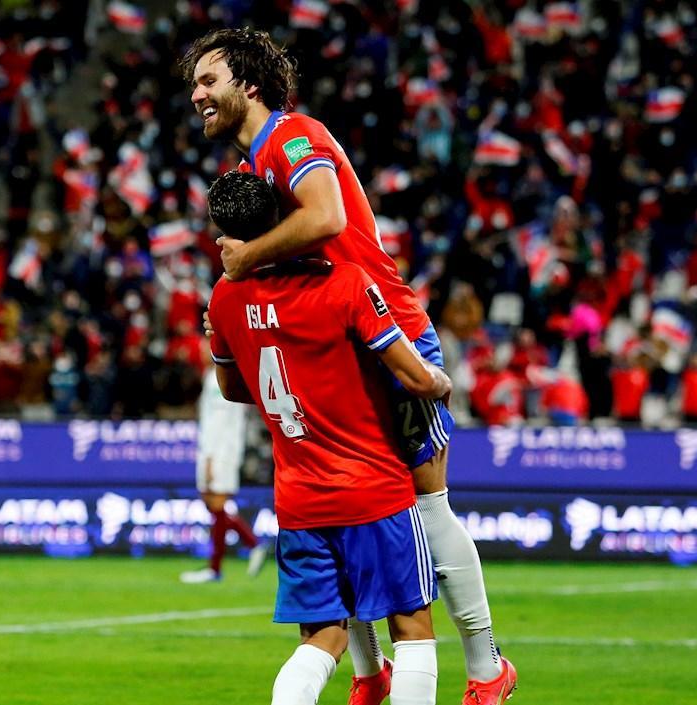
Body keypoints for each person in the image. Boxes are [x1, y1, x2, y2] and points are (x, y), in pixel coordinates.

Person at [181, 30, 515, 703]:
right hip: (333, 336)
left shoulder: (291, 136)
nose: (197, 95)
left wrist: (245, 262)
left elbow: (328, 216)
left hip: (389, 329)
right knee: (348, 506)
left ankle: (485, 668)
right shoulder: (254, 165)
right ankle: (370, 673)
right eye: (194, 84)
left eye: (209, 79)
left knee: (423, 508)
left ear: (249, 83)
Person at [206, 171, 447, 705]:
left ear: (226, 236)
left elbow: (232, 388)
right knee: (412, 631)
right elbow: (413, 377)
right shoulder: (345, 283)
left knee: (322, 640)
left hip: (300, 502)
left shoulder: (224, 298)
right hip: (374, 490)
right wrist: (440, 381)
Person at [179, 359, 268, 584]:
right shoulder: (214, 376)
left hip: (221, 451)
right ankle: (252, 544)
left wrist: (210, 457)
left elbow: (219, 422)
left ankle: (216, 567)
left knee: (217, 504)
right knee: (212, 504)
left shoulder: (221, 377)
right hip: (216, 449)